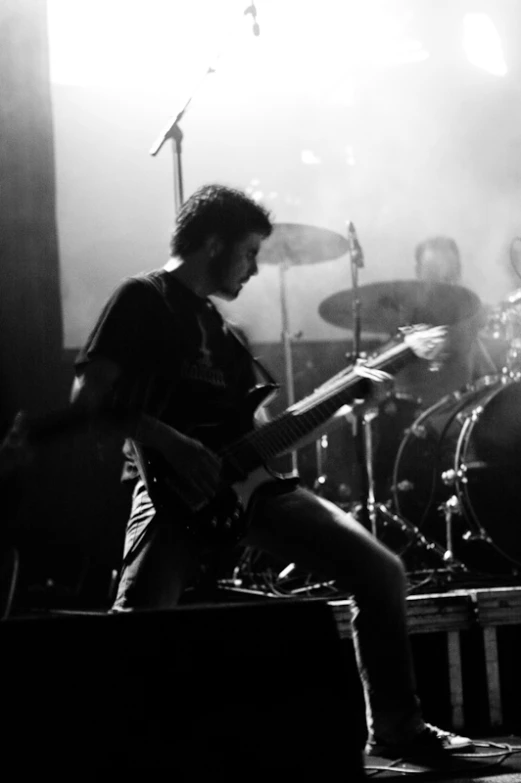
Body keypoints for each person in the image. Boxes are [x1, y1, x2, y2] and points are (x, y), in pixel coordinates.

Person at [71, 184, 472, 760]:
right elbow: (88, 398)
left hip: (250, 490)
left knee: (380, 572)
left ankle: (396, 728)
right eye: (249, 252)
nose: (255, 269)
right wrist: (171, 441)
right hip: (170, 495)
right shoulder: (143, 298)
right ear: (213, 244)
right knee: (136, 629)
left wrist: (345, 402)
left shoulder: (225, 333)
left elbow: (269, 435)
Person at [395, 235, 491, 406]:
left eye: (449, 274)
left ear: (459, 272)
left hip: (466, 409)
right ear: (418, 273)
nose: (442, 281)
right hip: (416, 413)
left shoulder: (472, 311)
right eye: (433, 273)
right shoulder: (403, 316)